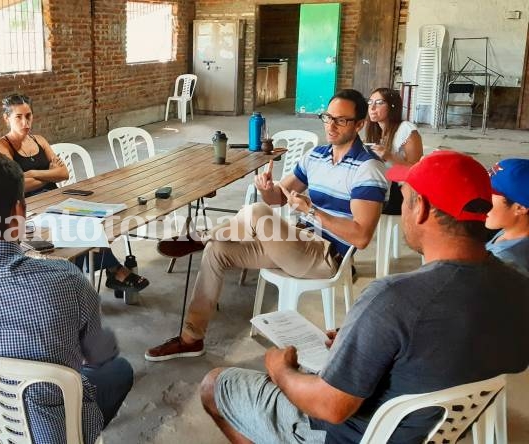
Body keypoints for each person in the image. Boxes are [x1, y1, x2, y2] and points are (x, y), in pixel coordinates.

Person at [199, 151, 529, 444]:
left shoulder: (392, 298)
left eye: (406, 196)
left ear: (422, 209)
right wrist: (370, 342)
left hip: (351, 433)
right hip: (430, 429)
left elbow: (330, 407)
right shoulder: (518, 287)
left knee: (215, 385)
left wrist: (280, 370)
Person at [146, 89, 388, 362]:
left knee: (256, 213)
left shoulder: (368, 169)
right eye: (327, 117)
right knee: (218, 249)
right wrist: (267, 188)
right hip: (297, 242)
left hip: (325, 255)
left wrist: (313, 211)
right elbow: (276, 199)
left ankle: (199, 237)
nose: (330, 126)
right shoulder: (317, 156)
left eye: (341, 120)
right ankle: (191, 338)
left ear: (359, 124)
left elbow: (362, 237)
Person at [0, 150, 133, 444]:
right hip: (56, 434)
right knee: (118, 369)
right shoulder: (67, 281)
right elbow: (98, 356)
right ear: (19, 212)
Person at [0, 93, 149, 294]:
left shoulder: (39, 140)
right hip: (29, 206)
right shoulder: (1, 146)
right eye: (18, 117)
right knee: (76, 230)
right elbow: (17, 184)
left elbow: (63, 173)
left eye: (28, 115)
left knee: (92, 222)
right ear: (7, 119)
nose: (25, 122)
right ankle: (113, 271)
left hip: (56, 198)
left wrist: (32, 173)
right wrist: (49, 174)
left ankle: (79, 279)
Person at [364, 87, 424, 215]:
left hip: (399, 191)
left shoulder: (406, 130)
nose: (372, 107)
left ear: (392, 106)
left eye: (379, 103)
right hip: (380, 183)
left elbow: (416, 170)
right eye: (370, 102)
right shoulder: (375, 131)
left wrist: (389, 156)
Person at [485, 158, 529, 275]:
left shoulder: (504, 261)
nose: (482, 202)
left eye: (489, 196)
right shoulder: (512, 231)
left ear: (520, 208)